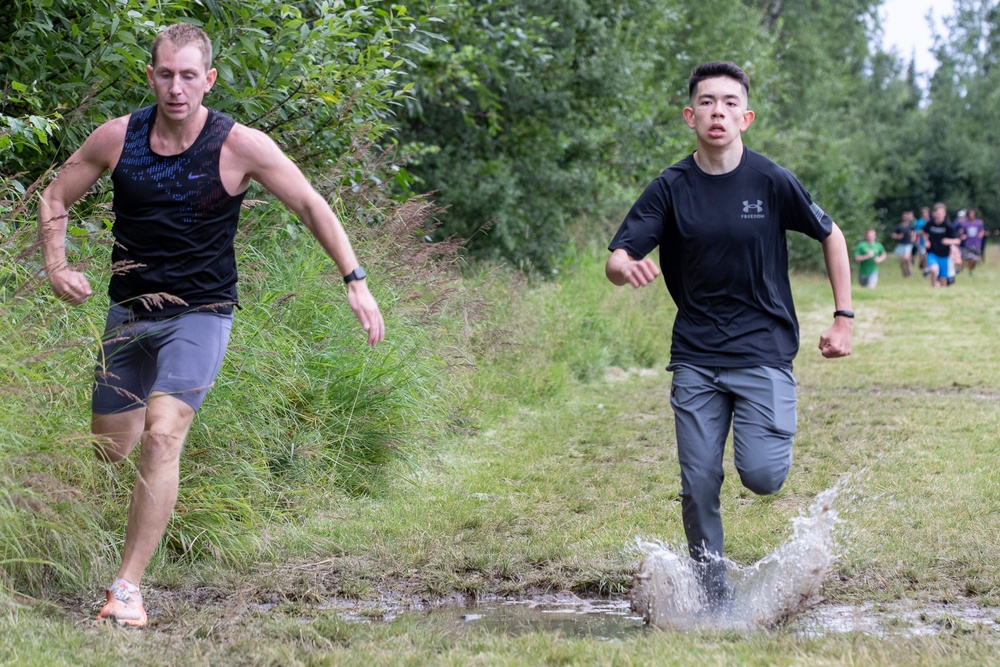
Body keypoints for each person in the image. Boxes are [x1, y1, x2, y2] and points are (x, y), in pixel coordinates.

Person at [37, 23, 385, 627]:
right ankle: (129, 502)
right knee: (109, 449)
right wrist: (57, 265)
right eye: (166, 74)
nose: (177, 87)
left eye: (189, 75)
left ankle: (128, 590)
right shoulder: (118, 137)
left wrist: (354, 279)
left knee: (164, 433)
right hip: (129, 313)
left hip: (201, 314)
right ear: (151, 76)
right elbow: (53, 198)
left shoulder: (240, 145)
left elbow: (309, 202)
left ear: (209, 80)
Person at [605, 61, 853, 608]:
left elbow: (832, 236)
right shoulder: (670, 188)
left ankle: (772, 425)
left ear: (747, 116)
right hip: (695, 354)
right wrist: (625, 267)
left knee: (763, 477)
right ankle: (712, 590)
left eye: (730, 102)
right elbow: (620, 256)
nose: (719, 111)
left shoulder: (771, 180)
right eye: (708, 102)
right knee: (697, 484)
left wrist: (843, 317)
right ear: (691, 115)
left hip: (763, 348)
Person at [922, 203, 959, 287]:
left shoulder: (948, 225)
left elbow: (957, 240)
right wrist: (926, 240)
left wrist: (949, 241)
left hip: (944, 255)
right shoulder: (930, 223)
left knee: (943, 280)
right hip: (932, 252)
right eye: (938, 213)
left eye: (942, 213)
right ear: (934, 213)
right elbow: (923, 231)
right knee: (934, 269)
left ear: (945, 214)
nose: (940, 216)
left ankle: (941, 291)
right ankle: (933, 285)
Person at [891, 211, 915, 277]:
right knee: (902, 260)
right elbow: (893, 234)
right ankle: (904, 271)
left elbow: (913, 232)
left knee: (907, 258)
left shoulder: (911, 226)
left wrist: (913, 237)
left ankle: (909, 272)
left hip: (908, 244)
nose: (905, 218)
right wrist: (898, 236)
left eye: (907, 217)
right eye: (904, 217)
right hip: (901, 244)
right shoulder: (899, 226)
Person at [960, 208, 985, 275]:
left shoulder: (978, 223)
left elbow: (982, 230)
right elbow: (962, 232)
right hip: (968, 242)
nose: (971, 215)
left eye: (972, 214)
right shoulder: (965, 224)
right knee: (969, 258)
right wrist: (963, 235)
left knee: (975, 258)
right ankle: (970, 270)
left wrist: (981, 235)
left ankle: (971, 268)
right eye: (970, 214)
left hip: (976, 242)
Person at [914, 206, 929, 273]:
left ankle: (926, 267)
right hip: (922, 241)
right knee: (924, 255)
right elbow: (916, 231)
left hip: (931, 241)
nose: (924, 214)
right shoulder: (920, 222)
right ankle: (925, 269)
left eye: (925, 212)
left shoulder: (931, 221)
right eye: (923, 212)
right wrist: (923, 232)